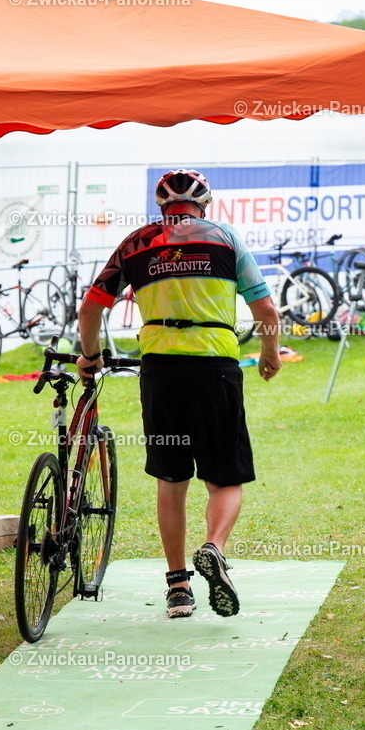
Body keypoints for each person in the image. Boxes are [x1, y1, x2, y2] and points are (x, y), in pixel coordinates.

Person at [77, 168, 281, 619]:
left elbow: (92, 307)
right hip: (216, 369)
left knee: (171, 480)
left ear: (161, 205)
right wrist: (270, 352)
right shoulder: (225, 239)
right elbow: (265, 307)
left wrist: (89, 356)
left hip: (161, 372)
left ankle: (178, 587)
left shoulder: (136, 243)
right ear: (204, 203)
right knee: (224, 478)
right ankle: (214, 547)